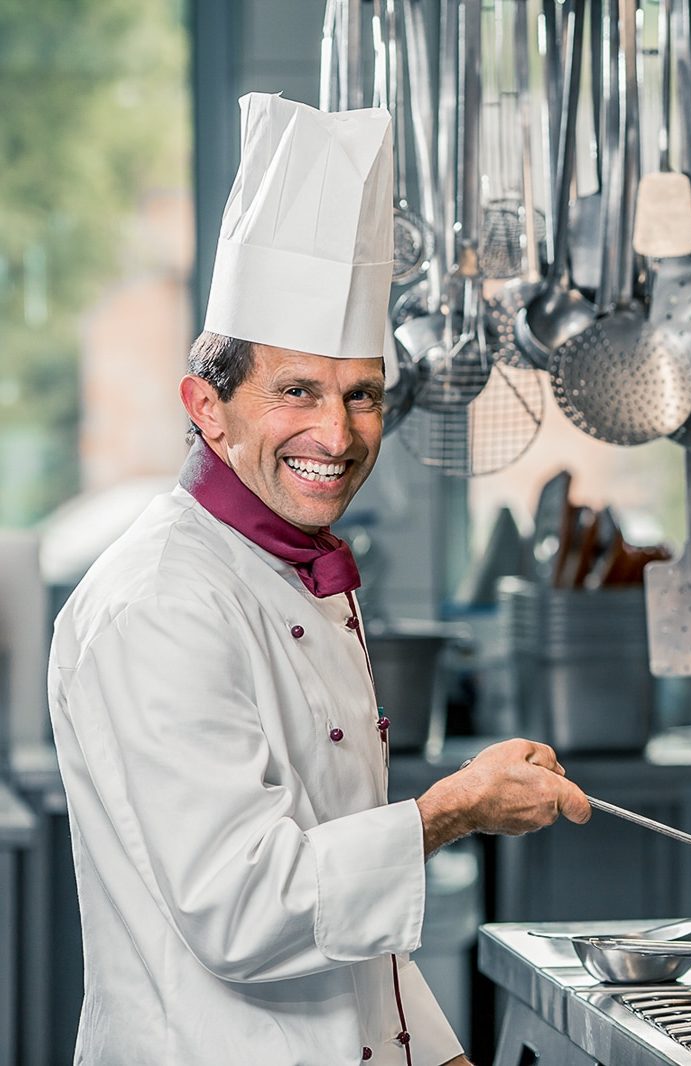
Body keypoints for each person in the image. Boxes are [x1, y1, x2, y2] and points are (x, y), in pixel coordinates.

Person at [47, 93, 590, 1066]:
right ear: (208, 409)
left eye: (362, 395)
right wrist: (454, 806)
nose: (336, 437)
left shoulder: (302, 578)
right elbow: (249, 909)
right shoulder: (160, 602)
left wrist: (435, 1050)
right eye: (296, 391)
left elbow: (347, 931)